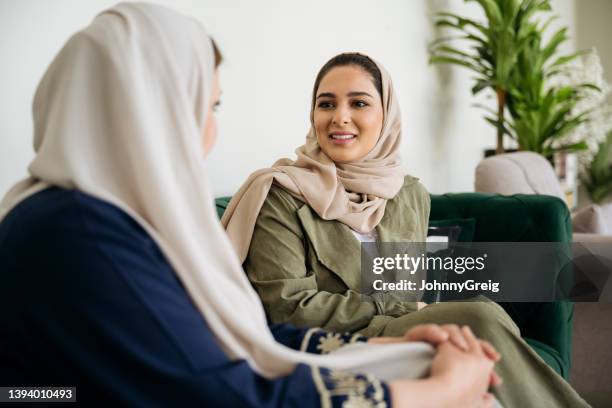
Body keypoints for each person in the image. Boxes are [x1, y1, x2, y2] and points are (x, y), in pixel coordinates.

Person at [0, 3, 507, 407]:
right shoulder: (80, 235)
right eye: (209, 104)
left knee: (462, 332)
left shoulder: (111, 220)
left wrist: (378, 348)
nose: (210, 131)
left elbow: (233, 334)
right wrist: (436, 393)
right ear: (147, 108)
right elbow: (225, 390)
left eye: (360, 103)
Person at [222, 53, 590, 407]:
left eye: (359, 103)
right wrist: (405, 313)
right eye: (327, 104)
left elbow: (403, 285)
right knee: (476, 317)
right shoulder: (280, 194)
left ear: (387, 115)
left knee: (477, 316)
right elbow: (287, 308)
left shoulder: (406, 193)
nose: (340, 117)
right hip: (332, 344)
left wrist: (413, 311)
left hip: (404, 328)